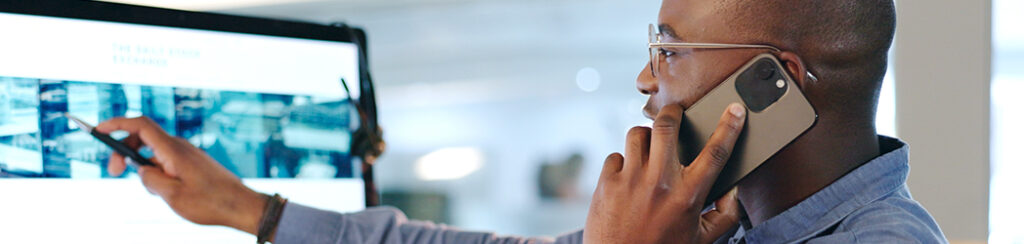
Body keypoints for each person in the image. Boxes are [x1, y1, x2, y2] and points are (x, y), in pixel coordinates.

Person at [97, 0, 949, 243]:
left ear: (775, 83)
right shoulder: (712, 224)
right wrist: (249, 208)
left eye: (670, 48)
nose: (646, 78)